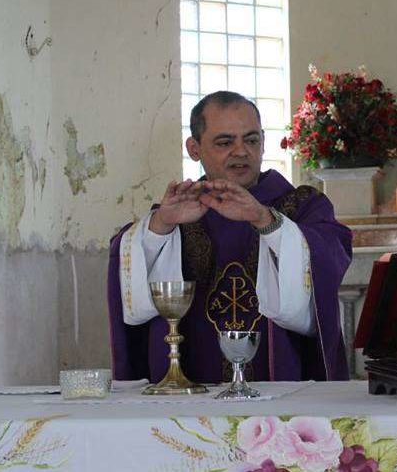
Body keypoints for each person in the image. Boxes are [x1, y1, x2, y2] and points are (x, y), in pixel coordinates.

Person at [107, 91, 352, 383]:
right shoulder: (177, 213)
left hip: (281, 393)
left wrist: (267, 222)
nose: (241, 151)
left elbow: (330, 254)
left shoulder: (301, 206)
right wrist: (160, 227)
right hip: (192, 392)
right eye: (225, 142)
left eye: (251, 140)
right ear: (194, 148)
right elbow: (126, 266)